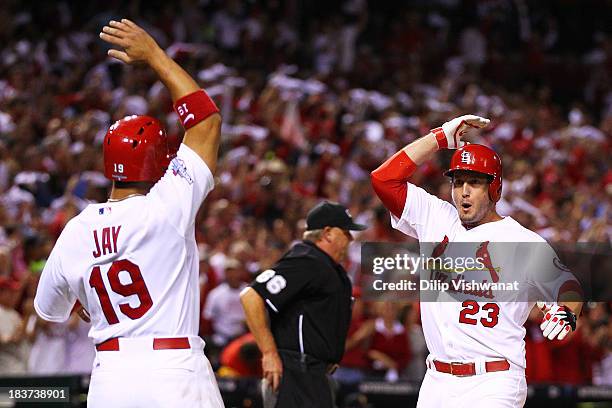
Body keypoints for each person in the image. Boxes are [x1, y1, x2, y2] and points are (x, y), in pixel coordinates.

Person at [33, 19, 224, 408]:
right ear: (160, 164)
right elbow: (206, 121)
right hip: (174, 373)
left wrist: (90, 296)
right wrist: (154, 55)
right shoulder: (168, 205)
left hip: (111, 379)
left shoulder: (76, 230)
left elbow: (49, 311)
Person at [370, 115, 583, 407]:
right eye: (458, 182)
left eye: (474, 182)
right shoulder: (435, 216)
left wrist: (566, 313)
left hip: (493, 381)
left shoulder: (524, 242)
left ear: (494, 189)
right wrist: (439, 138)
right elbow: (383, 179)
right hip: (436, 382)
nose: (464, 191)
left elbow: (568, 288)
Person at [240, 201, 367, 408]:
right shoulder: (307, 260)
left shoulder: (329, 268)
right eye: (345, 232)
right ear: (327, 233)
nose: (351, 239)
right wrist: (269, 353)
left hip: (314, 376)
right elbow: (251, 296)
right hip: (294, 373)